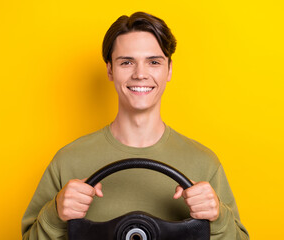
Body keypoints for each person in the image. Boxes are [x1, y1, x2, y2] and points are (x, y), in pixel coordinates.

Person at [22, 12, 249, 239]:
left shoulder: (204, 164)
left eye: (153, 62)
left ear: (169, 70)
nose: (140, 74)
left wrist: (217, 217)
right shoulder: (68, 161)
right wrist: (55, 214)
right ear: (110, 70)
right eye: (127, 62)